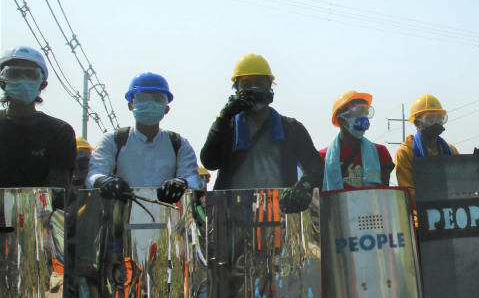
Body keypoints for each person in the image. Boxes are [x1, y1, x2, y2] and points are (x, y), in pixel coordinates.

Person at [200, 54, 324, 212]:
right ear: (236, 90)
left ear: (270, 86)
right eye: (246, 84)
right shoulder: (228, 128)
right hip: (233, 217)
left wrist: (304, 185)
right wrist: (223, 117)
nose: (254, 88)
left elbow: (315, 165)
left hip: (279, 215)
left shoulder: (291, 128)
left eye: (259, 83)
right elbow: (210, 162)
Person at [87, 72, 203, 203]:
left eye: (158, 99)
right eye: (142, 98)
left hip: (168, 218)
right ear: (130, 105)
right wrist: (104, 182)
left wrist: (183, 182)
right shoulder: (112, 140)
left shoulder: (179, 143)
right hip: (122, 218)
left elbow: (193, 179)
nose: (150, 104)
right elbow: (94, 175)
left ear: (166, 108)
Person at [0, 46, 75, 189]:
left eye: (30, 75)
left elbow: (57, 191)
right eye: (14, 73)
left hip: (42, 211)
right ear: (2, 81)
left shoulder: (60, 132)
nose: (23, 80)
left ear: (43, 84)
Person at [320, 90, 394, 191]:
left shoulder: (380, 152)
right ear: (341, 119)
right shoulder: (322, 157)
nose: (364, 118)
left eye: (366, 113)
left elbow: (383, 193)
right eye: (358, 112)